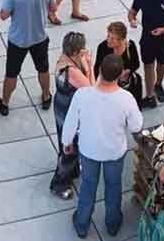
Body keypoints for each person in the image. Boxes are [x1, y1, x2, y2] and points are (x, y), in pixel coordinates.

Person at [62, 54, 143, 239]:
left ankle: (82, 224)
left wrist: (67, 143)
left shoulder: (83, 95)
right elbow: (136, 126)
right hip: (114, 152)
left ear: (99, 71)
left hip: (89, 150)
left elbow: (70, 123)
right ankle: (113, 224)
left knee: (88, 186)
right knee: (113, 186)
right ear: (120, 75)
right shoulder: (126, 98)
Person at [0, 0, 57, 116]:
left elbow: (3, 15)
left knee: (12, 73)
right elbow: (53, 8)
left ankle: (5, 103)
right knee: (43, 69)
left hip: (18, 40)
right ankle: (45, 96)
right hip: (39, 37)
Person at [51, 31, 94, 199]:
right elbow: (90, 90)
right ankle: (60, 182)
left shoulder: (63, 60)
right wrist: (89, 66)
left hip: (61, 105)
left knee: (65, 141)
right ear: (76, 51)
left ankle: (72, 169)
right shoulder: (73, 72)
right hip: (70, 112)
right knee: (70, 148)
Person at [95, 20, 143, 105]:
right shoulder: (102, 47)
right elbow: (97, 68)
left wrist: (127, 72)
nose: (108, 40)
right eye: (108, 36)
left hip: (126, 83)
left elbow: (136, 64)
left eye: (112, 38)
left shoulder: (130, 46)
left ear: (121, 40)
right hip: (109, 84)